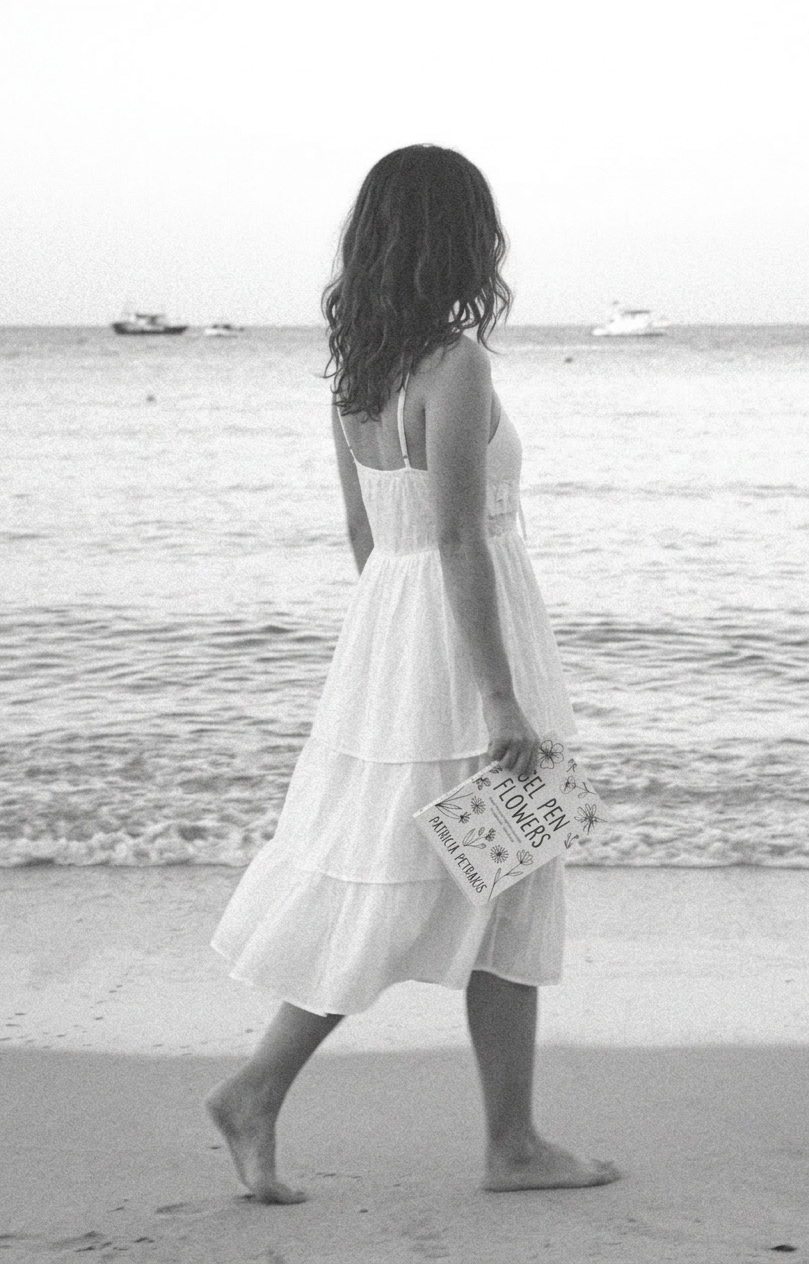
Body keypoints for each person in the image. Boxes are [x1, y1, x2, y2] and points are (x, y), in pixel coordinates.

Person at [206, 144, 620, 1203]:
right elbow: (460, 543)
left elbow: (366, 535)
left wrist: (389, 663)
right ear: (459, 238)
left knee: (464, 876)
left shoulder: (357, 370)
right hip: (464, 645)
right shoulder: (455, 363)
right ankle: (288, 1096)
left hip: (391, 644)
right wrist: (493, 692)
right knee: (493, 876)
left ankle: (500, 1136)